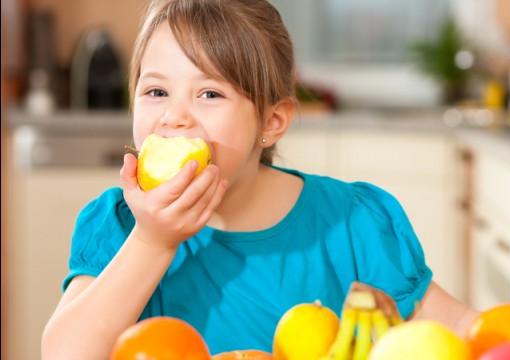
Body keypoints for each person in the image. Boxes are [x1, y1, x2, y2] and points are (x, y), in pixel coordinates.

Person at [41, 0, 478, 358]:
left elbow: (464, 333)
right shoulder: (119, 227)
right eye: (156, 92)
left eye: (210, 93)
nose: (174, 116)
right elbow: (66, 354)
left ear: (271, 120)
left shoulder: (353, 224)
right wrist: (152, 241)